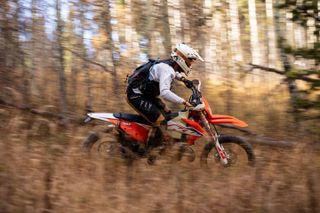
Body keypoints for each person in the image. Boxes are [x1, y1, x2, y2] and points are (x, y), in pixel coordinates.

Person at [126, 43, 204, 148]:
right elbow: (164, 92)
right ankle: (150, 151)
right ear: (182, 60)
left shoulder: (170, 64)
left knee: (168, 114)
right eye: (189, 61)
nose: (190, 65)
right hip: (136, 95)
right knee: (160, 120)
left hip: (145, 94)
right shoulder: (167, 70)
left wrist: (184, 80)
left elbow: (173, 73)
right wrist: (183, 101)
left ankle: (154, 138)